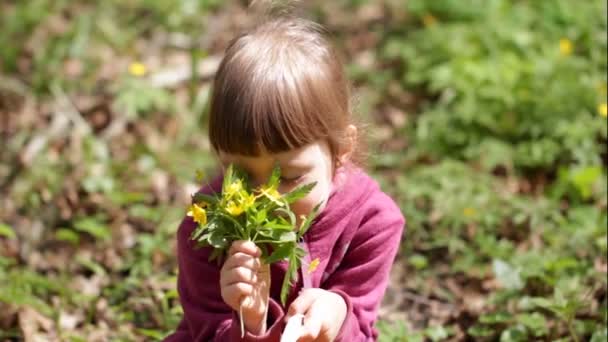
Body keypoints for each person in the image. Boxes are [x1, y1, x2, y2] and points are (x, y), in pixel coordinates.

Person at [165, 15, 405, 342]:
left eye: (290, 177)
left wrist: (336, 316)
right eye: (243, 176)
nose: (267, 197)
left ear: (342, 148)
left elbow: (361, 330)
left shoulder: (372, 222)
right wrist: (250, 322)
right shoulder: (207, 229)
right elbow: (204, 331)